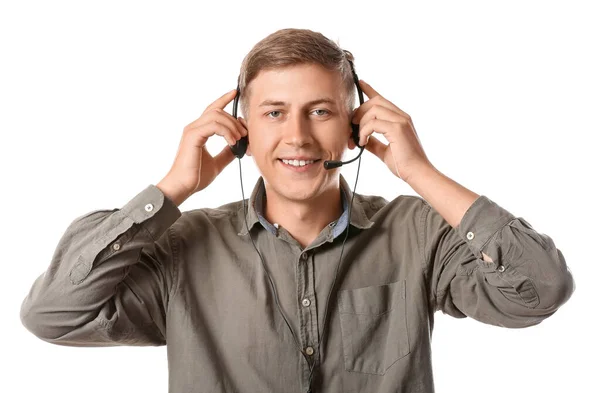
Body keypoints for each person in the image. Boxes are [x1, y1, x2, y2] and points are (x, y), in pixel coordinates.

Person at [20, 28, 575, 393]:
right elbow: (53, 314)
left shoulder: (417, 232)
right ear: (242, 129)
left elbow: (539, 290)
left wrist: (418, 171)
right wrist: (171, 189)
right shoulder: (183, 247)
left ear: (356, 124)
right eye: (274, 112)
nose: (298, 137)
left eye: (320, 111)